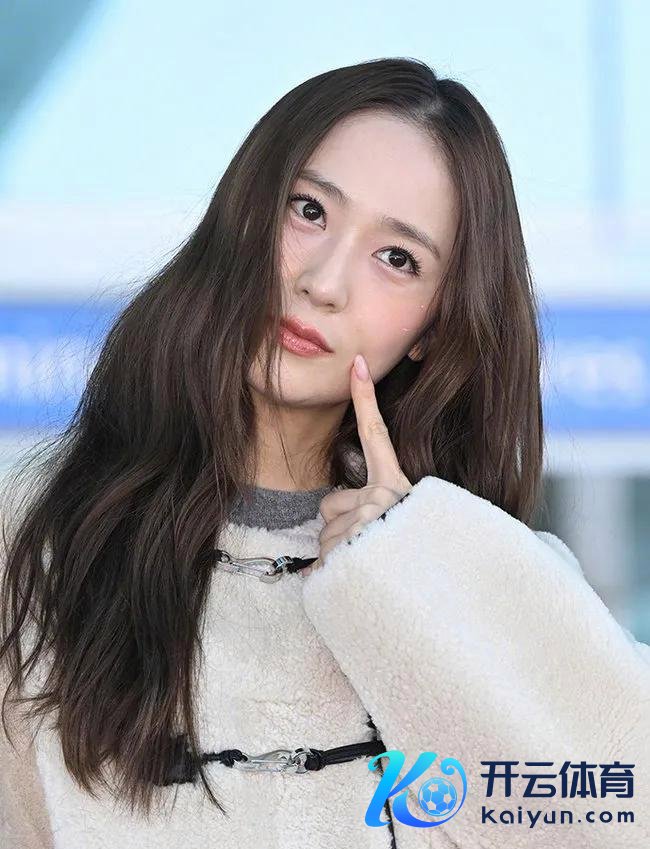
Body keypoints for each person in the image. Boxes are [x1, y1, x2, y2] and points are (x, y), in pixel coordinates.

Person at [1, 56, 649, 849]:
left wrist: (414, 573)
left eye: (398, 258)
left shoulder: (479, 575)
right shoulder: (38, 537)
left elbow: (621, 815)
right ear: (245, 212)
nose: (325, 281)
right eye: (309, 210)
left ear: (435, 326)